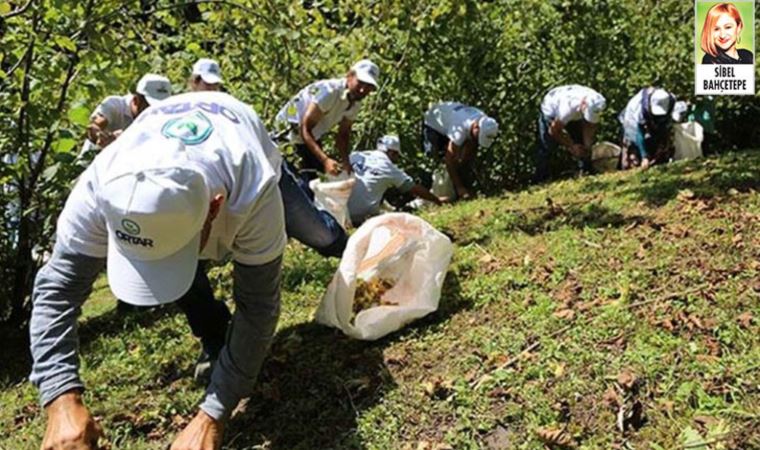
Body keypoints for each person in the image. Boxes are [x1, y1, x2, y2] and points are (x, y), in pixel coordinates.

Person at [29, 91, 287, 450]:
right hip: (172, 139)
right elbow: (57, 290)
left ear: (214, 209)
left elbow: (258, 307)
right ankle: (216, 340)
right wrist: (60, 399)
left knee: (318, 232)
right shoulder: (98, 188)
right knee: (188, 285)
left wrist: (213, 415)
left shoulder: (252, 187)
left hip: (240, 128)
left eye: (170, 254)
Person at [275, 59, 379, 184]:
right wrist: (325, 160)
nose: (363, 90)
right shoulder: (330, 91)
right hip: (289, 135)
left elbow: (343, 135)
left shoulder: (355, 104)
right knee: (299, 185)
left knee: (316, 183)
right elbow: (304, 127)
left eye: (368, 87)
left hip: (310, 137)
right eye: (360, 83)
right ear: (350, 76)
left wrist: (346, 163)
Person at [348, 135, 442, 226]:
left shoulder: (356, 156)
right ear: (392, 153)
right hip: (362, 217)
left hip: (343, 212)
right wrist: (436, 200)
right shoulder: (388, 167)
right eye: (397, 156)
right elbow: (413, 188)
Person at [79, 74, 172, 157]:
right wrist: (102, 137)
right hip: (91, 166)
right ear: (136, 100)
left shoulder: (163, 117)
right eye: (150, 106)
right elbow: (94, 126)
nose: (156, 110)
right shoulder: (113, 105)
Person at [422, 102, 499, 200]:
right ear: (476, 128)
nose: (477, 140)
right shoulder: (459, 129)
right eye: (478, 137)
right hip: (433, 123)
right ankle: (434, 196)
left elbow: (469, 154)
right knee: (436, 160)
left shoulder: (485, 122)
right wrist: (460, 188)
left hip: (450, 120)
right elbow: (449, 160)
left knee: (463, 159)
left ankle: (463, 189)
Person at [535, 85, 606, 182]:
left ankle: (586, 173)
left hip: (574, 113)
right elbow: (553, 131)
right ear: (583, 105)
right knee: (547, 146)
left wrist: (588, 145)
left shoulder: (597, 100)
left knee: (580, 141)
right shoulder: (566, 109)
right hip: (551, 110)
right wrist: (571, 146)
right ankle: (541, 178)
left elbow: (590, 125)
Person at [618, 87, 676, 170]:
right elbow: (638, 133)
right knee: (633, 157)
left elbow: (666, 126)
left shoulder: (671, 100)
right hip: (631, 123)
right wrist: (644, 156)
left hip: (654, 124)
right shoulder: (636, 106)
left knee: (661, 150)